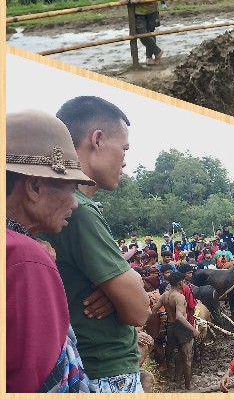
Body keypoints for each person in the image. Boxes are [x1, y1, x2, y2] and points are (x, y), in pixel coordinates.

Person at [41, 96, 150, 392]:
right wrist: (123, 291)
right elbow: (139, 310)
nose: (125, 160)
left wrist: (116, 291)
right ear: (97, 139)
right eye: (124, 148)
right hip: (106, 371)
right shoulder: (79, 211)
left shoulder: (56, 205)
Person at [6, 110, 93, 393]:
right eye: (71, 189)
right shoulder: (24, 257)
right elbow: (40, 383)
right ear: (34, 186)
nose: (75, 204)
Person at [150, 271, 200, 389]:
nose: (184, 284)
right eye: (183, 282)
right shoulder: (179, 297)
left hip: (170, 327)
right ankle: (188, 386)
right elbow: (179, 316)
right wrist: (193, 329)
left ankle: (177, 380)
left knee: (177, 354)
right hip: (181, 328)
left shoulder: (164, 295)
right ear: (180, 282)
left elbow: (154, 310)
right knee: (187, 358)